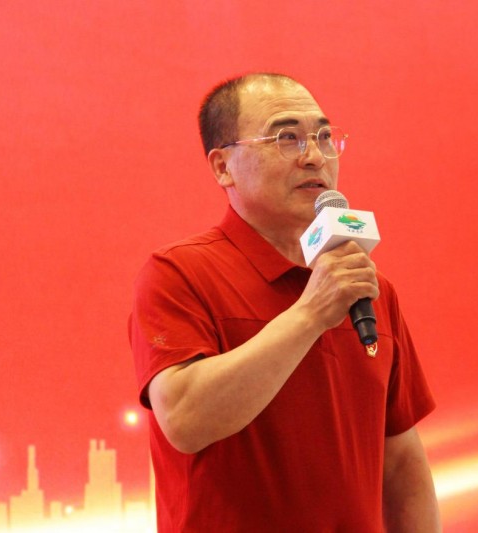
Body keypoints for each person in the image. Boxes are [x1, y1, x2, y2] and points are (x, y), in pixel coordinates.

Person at [128, 72, 440, 532]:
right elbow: (186, 420)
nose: (314, 156)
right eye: (286, 138)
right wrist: (311, 313)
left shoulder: (365, 284)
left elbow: (400, 462)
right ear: (223, 167)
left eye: (324, 137)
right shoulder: (178, 273)